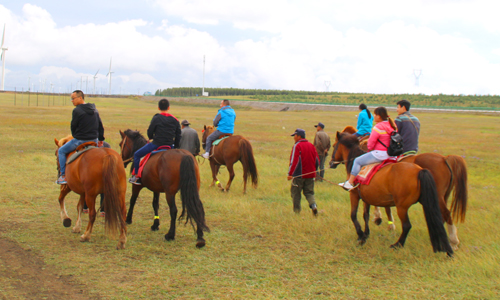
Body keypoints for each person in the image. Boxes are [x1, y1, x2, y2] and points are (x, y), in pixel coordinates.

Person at [339, 106, 397, 191]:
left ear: (379, 116)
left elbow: (370, 144)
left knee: (357, 161)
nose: (374, 116)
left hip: (380, 154)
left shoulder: (378, 127)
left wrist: (370, 147)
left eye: (375, 114)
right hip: (392, 155)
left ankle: (350, 183)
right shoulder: (391, 125)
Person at [56, 90, 104, 184]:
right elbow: (100, 125)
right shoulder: (94, 109)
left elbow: (73, 126)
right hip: (94, 140)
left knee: (61, 151)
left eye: (73, 98)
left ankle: (63, 176)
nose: (72, 100)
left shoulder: (77, 110)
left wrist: (75, 135)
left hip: (80, 141)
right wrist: (101, 139)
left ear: (80, 98)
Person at [129, 99, 181, 185]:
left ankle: (136, 177)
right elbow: (178, 135)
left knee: (137, 155)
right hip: (170, 146)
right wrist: (175, 147)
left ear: (158, 108)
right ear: (169, 107)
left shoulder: (156, 118)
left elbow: (150, 131)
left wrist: (151, 137)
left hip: (156, 144)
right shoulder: (175, 120)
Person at [287, 129, 320, 215]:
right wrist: (314, 171)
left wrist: (290, 174)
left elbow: (294, 161)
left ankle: (297, 212)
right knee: (309, 192)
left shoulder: (297, 146)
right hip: (310, 175)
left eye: (295, 135)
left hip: (299, 175)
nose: (294, 137)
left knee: (296, 193)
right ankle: (313, 206)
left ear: (299, 136)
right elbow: (317, 160)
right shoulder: (311, 145)